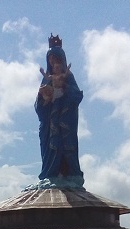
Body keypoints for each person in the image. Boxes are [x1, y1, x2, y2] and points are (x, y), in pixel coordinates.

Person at [35, 35, 84, 186]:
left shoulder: (68, 77)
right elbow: (38, 106)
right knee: (51, 146)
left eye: (56, 59)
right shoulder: (47, 78)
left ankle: (70, 174)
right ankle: (51, 173)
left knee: (67, 146)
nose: (53, 62)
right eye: (50, 59)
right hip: (50, 123)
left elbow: (76, 96)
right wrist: (45, 97)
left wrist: (64, 87)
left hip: (65, 120)